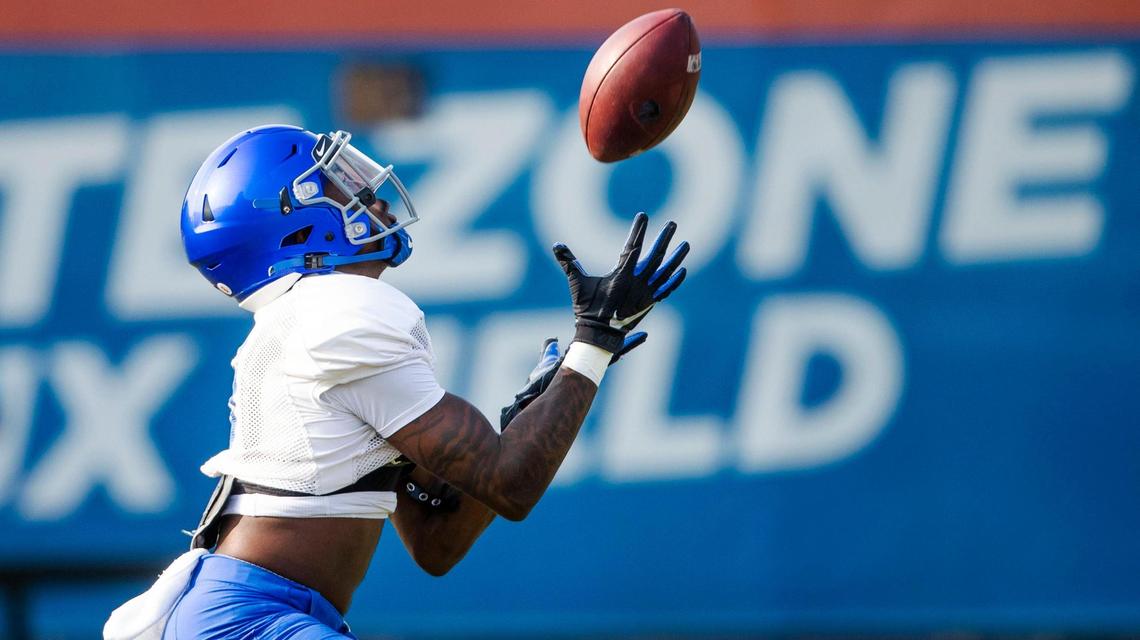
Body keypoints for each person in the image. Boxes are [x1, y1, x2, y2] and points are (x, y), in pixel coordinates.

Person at [104, 124, 689, 639]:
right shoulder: (342, 311)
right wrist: (593, 342)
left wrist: (522, 423)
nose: (369, 196)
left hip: (257, 612)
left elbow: (436, 544)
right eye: (335, 186)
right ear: (295, 226)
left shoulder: (316, 316)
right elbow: (512, 485)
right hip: (246, 617)